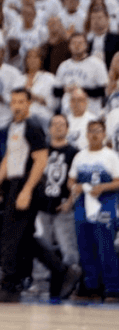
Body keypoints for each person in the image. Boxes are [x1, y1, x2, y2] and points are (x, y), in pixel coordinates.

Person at [0, 89, 49, 302]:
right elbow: (9, 157)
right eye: (14, 102)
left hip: (27, 182)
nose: (17, 106)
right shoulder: (14, 126)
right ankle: (63, 270)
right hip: (16, 181)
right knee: (24, 239)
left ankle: (9, 287)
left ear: (29, 104)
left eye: (21, 102)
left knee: (10, 237)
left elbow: (41, 159)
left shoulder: (32, 125)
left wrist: (27, 190)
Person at [62, 119, 119, 301]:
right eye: (91, 131)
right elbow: (70, 180)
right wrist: (75, 187)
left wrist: (103, 187)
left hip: (105, 206)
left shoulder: (111, 156)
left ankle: (112, 289)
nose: (94, 134)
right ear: (86, 134)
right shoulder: (80, 156)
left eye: (98, 130)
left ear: (104, 134)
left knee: (106, 247)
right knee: (85, 247)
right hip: (82, 206)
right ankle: (90, 287)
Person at [31, 114, 82, 298]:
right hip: (41, 206)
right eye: (55, 124)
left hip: (63, 207)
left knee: (68, 247)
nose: (59, 127)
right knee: (40, 245)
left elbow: (77, 180)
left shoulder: (74, 152)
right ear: (49, 129)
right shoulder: (41, 151)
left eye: (62, 125)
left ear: (68, 129)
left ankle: (71, 282)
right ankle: (40, 283)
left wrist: (70, 201)